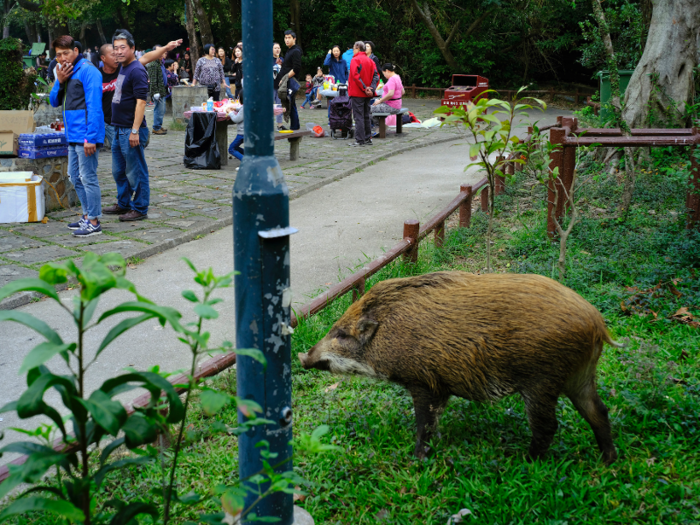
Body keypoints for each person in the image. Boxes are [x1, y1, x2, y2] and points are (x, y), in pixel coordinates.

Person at [49, 35, 105, 237]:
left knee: (88, 177)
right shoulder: (65, 73)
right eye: (58, 55)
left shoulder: (88, 71)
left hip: (86, 135)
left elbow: (94, 107)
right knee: (74, 176)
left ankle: (94, 221)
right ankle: (87, 214)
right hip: (72, 134)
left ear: (75, 51)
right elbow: (54, 101)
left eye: (65, 53)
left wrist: (91, 137)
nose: (62, 58)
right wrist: (60, 82)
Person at [103, 29, 151, 222]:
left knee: (136, 171)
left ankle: (139, 207)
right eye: (115, 48)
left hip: (130, 130)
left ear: (132, 48)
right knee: (118, 170)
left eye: (123, 47)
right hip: (117, 128)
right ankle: (123, 203)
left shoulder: (137, 69)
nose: (119, 51)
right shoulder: (123, 67)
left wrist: (134, 131)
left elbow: (141, 102)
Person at [348, 40, 379, 147]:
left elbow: (355, 76)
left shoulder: (355, 60)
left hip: (357, 92)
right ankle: (367, 138)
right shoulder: (370, 61)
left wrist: (364, 88)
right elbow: (376, 76)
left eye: (353, 48)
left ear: (357, 48)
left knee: (358, 117)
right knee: (366, 115)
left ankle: (359, 140)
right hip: (368, 94)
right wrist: (371, 88)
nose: (352, 50)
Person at [274, 29, 302, 131]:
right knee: (291, 103)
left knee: (291, 103)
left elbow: (296, 68)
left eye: (289, 38)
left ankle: (295, 126)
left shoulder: (296, 51)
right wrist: (282, 64)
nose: (287, 40)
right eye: (285, 38)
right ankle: (295, 125)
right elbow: (289, 65)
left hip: (291, 81)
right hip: (286, 80)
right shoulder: (289, 50)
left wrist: (285, 78)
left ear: (294, 39)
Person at [371, 63, 404, 128]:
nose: (385, 75)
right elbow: (403, 92)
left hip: (391, 106)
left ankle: (379, 127)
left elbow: (390, 94)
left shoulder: (392, 79)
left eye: (384, 73)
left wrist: (380, 101)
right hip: (397, 105)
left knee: (368, 109)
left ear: (387, 71)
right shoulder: (397, 77)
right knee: (375, 108)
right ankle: (381, 126)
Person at [147, 44, 169, 135]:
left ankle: (158, 125)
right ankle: (156, 127)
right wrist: (155, 92)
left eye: (162, 51)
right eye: (158, 51)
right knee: (159, 110)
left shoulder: (160, 63)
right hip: (158, 91)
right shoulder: (152, 64)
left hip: (162, 90)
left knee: (162, 110)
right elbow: (153, 80)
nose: (161, 53)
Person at [227, 90, 244, 165]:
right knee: (236, 147)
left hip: (242, 133)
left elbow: (236, 119)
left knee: (231, 149)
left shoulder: (244, 109)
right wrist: (235, 109)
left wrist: (230, 112)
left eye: (238, 97)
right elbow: (242, 109)